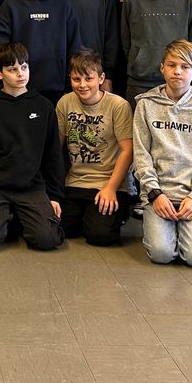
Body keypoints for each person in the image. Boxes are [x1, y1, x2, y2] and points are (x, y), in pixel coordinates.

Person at [0, 42, 65, 252]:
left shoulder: (44, 106)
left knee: (47, 240)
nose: (21, 74)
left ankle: (16, 219)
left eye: (24, 67)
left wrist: (54, 195)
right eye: (13, 69)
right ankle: (2, 218)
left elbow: (53, 155)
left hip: (31, 186)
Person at [134, 40, 192, 267]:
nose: (177, 71)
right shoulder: (145, 105)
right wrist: (154, 194)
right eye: (171, 65)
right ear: (162, 67)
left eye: (185, 66)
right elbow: (141, 156)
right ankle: (166, 231)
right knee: (162, 255)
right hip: (158, 196)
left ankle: (188, 231)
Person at [55, 49, 134, 247]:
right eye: (76, 79)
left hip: (107, 183)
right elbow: (56, 148)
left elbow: (128, 150)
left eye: (88, 78)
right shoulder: (65, 103)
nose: (82, 85)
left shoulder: (118, 105)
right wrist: (53, 192)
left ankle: (117, 212)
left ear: (101, 78)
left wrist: (111, 188)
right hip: (75, 182)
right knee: (60, 228)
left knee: (100, 236)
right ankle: (87, 215)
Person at [0, 0, 82, 105]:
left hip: (56, 86)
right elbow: (0, 47)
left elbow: (74, 46)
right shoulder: (11, 4)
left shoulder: (63, 4)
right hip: (18, 86)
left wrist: (70, 83)